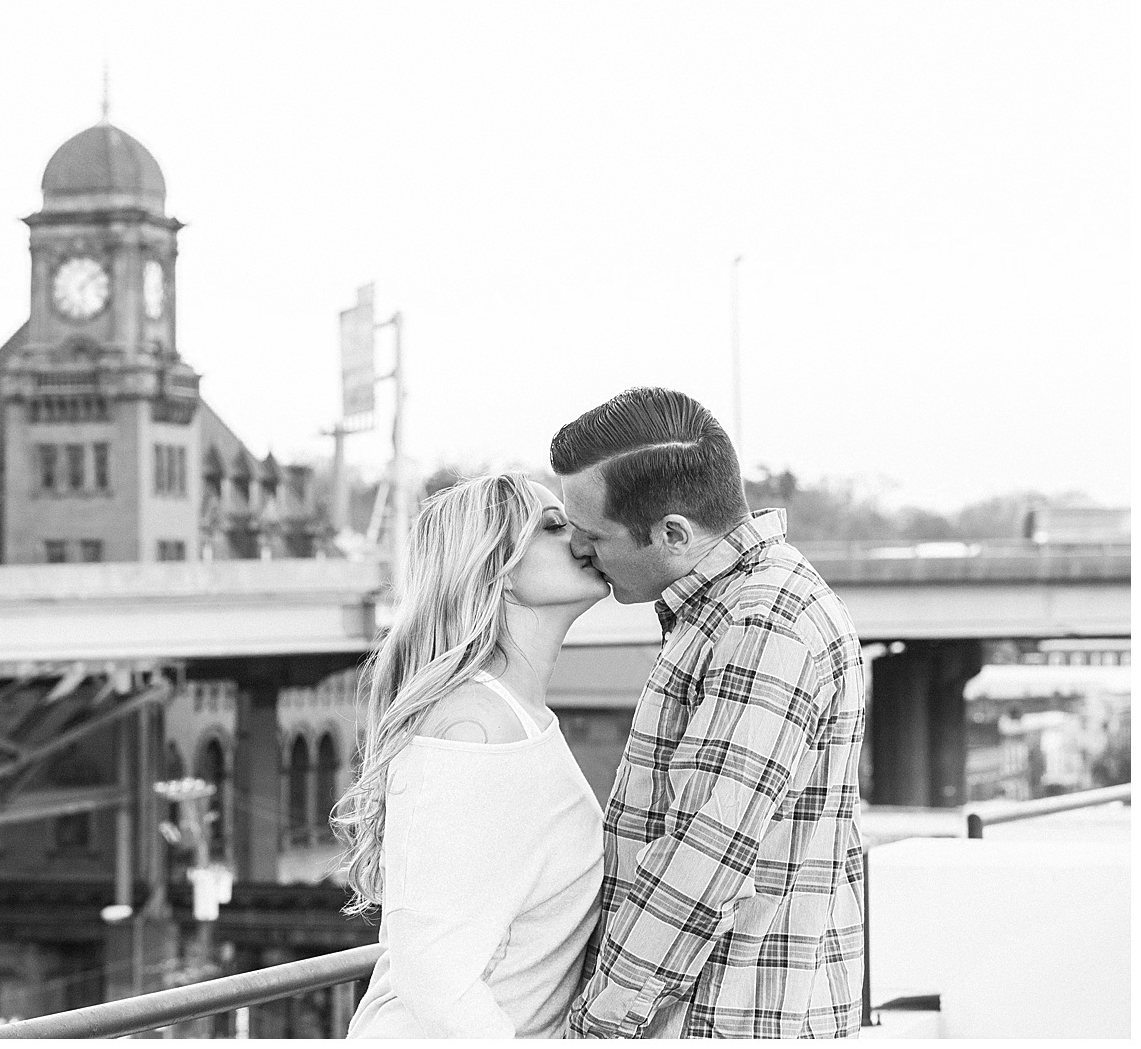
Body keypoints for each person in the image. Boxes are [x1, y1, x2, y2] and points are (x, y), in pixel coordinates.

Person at [552, 387, 866, 1039]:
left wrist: (599, 1024)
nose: (580, 551)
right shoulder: (732, 608)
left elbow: (702, 858)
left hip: (727, 1018)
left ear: (672, 533)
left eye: (593, 535)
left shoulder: (764, 620)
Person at [335, 471, 609, 1038]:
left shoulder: (518, 718)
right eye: (553, 526)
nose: (580, 536)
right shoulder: (473, 729)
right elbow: (431, 972)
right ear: (497, 573)